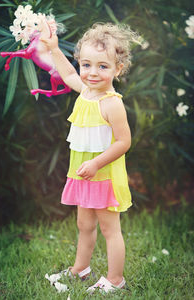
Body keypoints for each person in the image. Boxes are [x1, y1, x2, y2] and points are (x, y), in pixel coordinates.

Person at [41, 22, 139, 293]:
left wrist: (96, 163)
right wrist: (54, 49)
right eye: (87, 65)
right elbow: (69, 73)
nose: (92, 73)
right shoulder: (85, 91)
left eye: (103, 66)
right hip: (83, 173)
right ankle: (80, 269)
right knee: (84, 224)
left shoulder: (112, 103)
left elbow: (124, 142)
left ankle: (116, 280)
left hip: (103, 176)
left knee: (110, 229)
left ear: (118, 69)